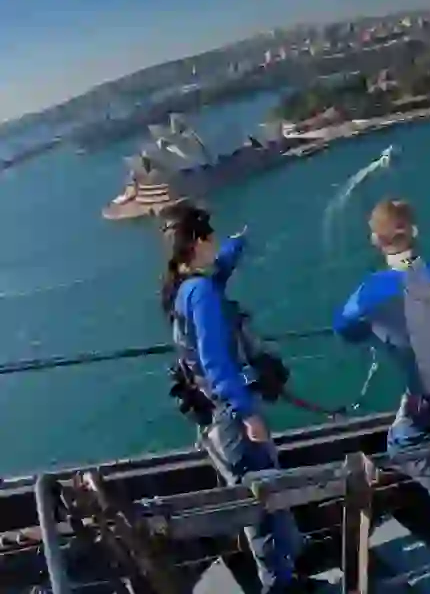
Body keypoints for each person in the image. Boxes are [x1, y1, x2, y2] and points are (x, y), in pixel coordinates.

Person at [160, 202, 305, 593]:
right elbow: (216, 361)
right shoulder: (202, 293)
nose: (217, 242)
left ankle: (286, 569)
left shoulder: (183, 287)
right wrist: (246, 412)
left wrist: (237, 246)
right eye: (214, 237)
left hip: (210, 416)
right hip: (230, 417)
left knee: (257, 493)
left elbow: (216, 271)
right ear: (198, 242)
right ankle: (281, 585)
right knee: (262, 498)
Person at [332, 199, 430, 528]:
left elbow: (343, 327)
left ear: (375, 239)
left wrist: (376, 328)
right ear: (415, 231)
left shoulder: (370, 293)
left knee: (400, 446)